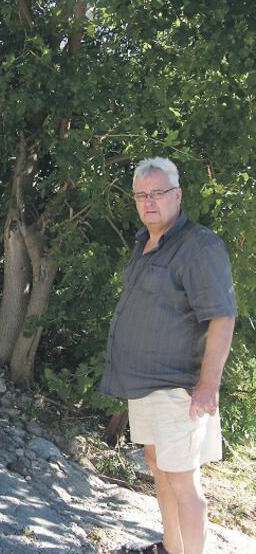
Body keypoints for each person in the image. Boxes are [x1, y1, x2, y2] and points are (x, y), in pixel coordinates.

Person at [101, 157, 236, 554]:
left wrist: (208, 385)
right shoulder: (145, 242)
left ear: (177, 195)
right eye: (141, 195)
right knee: (159, 469)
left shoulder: (199, 247)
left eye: (158, 193)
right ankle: (171, 547)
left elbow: (223, 317)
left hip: (179, 390)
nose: (149, 202)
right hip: (145, 386)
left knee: (183, 482)